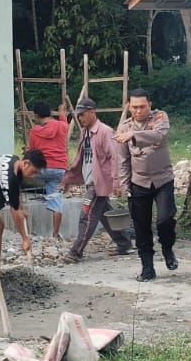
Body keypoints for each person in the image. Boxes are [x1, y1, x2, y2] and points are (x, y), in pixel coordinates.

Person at [58, 98, 132, 263]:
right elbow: (80, 158)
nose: (80, 118)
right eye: (79, 115)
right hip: (91, 180)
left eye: (83, 115)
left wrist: (117, 182)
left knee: (87, 216)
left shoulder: (105, 132)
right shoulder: (85, 132)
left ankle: (75, 251)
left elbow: (115, 158)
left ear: (92, 112)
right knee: (104, 214)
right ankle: (124, 243)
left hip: (99, 183)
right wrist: (68, 179)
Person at [116, 89, 176, 281]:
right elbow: (123, 160)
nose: (138, 111)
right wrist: (125, 186)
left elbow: (158, 135)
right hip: (139, 182)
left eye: (142, 106)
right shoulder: (124, 127)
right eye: (134, 107)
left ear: (149, 104)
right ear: (129, 106)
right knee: (141, 227)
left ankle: (167, 248)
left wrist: (134, 134)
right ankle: (147, 267)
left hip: (163, 179)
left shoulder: (159, 117)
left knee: (165, 220)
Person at [26, 101, 70, 241]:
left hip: (42, 170)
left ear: (37, 115)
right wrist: (62, 112)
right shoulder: (61, 126)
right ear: (50, 113)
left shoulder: (34, 131)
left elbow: (33, 153)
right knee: (56, 200)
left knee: (20, 176)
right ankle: (55, 234)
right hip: (60, 169)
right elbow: (64, 123)